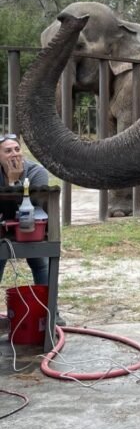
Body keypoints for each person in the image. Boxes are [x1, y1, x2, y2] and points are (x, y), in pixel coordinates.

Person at [0, 133, 63, 326]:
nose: (14, 154)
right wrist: (10, 182)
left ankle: (52, 312)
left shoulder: (36, 172)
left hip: (32, 229)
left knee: (41, 263)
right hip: (3, 229)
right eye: (8, 151)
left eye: (17, 149)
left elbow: (33, 206)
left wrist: (15, 184)